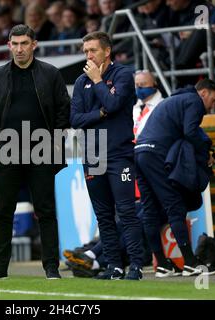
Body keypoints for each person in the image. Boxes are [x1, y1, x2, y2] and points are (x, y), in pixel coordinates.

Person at [0, 24, 70, 280]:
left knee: (46, 210)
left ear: (34, 44)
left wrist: (57, 140)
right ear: (9, 46)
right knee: (3, 211)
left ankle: (51, 267)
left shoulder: (50, 74)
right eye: (15, 44)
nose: (19, 49)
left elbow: (64, 109)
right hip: (6, 149)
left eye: (24, 44)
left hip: (42, 149)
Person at [70, 31, 144, 280]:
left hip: (119, 155)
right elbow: (75, 119)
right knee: (103, 215)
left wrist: (99, 82)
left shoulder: (123, 75)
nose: (88, 55)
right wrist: (99, 114)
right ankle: (113, 267)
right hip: (93, 156)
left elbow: (113, 106)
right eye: (85, 51)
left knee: (126, 211)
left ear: (107, 51)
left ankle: (135, 266)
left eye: (93, 50)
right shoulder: (81, 82)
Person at [135, 78, 215, 277]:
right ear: (204, 93)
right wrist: (205, 154)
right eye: (214, 100)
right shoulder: (193, 102)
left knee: (150, 211)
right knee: (175, 206)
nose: (212, 106)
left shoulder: (175, 100)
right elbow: (190, 132)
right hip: (156, 154)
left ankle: (163, 264)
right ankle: (190, 263)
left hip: (139, 152)